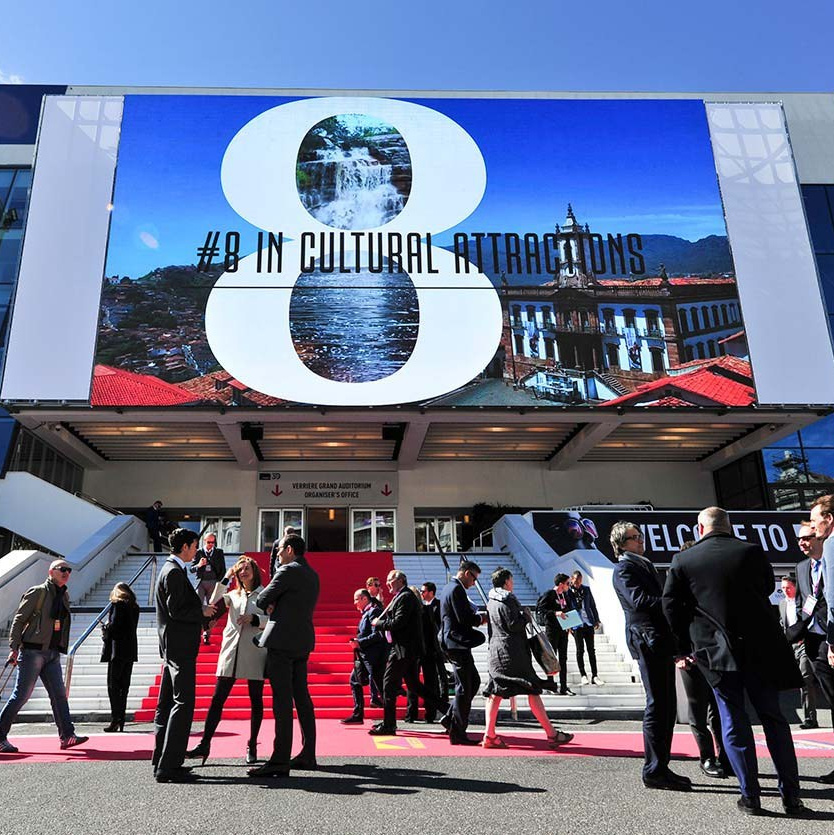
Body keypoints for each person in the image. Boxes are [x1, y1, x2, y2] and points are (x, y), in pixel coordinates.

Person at [663, 507, 805, 816]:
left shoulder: (683, 560)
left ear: (700, 529)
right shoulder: (752, 551)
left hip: (715, 652)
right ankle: (791, 796)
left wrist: (683, 646)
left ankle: (750, 795)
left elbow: (671, 606)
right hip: (761, 649)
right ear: (729, 526)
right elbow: (767, 587)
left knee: (732, 720)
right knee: (774, 719)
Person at [611, 521, 691, 792]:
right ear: (621, 544)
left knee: (667, 706)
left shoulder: (643, 564)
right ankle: (654, 770)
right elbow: (639, 600)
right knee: (658, 704)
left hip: (659, 640)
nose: (641, 540)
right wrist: (672, 601)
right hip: (646, 640)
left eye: (640, 536)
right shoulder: (624, 569)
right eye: (634, 538)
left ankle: (662, 766)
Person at [249, 533, 319, 778]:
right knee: (302, 698)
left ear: (289, 549)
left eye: (278, 550)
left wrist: (271, 604)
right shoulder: (312, 574)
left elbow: (262, 599)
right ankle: (308, 753)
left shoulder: (287, 570)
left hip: (282, 642)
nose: (277, 555)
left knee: (282, 701)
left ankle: (279, 760)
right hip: (302, 641)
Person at [0, 560, 88, 753]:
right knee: (21, 695)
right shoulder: (38, 592)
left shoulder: (63, 594)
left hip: (52, 652)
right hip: (32, 651)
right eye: (62, 569)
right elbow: (19, 619)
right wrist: (14, 647)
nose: (66, 573)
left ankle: (67, 736)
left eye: (69, 570)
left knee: (59, 695)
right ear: (51, 572)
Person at [186, 556, 267, 764]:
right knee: (217, 699)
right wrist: (225, 578)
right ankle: (205, 743)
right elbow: (213, 602)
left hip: (254, 650)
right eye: (239, 569)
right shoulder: (232, 594)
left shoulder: (264, 594)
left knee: (256, 699)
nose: (243, 571)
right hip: (230, 651)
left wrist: (256, 619)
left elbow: (273, 620)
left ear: (255, 571)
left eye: (247, 568)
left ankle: (252, 744)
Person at [481, 567, 574, 750]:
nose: (513, 583)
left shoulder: (491, 601)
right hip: (513, 653)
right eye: (512, 580)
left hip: (497, 652)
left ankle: (489, 734)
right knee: (532, 689)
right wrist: (525, 615)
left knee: (495, 691)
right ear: (507, 581)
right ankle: (552, 734)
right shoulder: (507, 600)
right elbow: (514, 625)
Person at [152, 528, 215, 783]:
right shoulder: (174, 572)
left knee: (166, 704)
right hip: (180, 647)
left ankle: (162, 760)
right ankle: (170, 765)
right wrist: (203, 612)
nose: (197, 550)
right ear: (186, 546)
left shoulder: (171, 570)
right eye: (195, 545)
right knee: (183, 703)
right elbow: (178, 611)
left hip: (171, 647)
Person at [369, 570, 447, 737]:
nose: (388, 583)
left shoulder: (405, 597)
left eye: (390, 580)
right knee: (414, 686)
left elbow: (398, 622)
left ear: (401, 580)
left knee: (388, 685)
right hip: (406, 649)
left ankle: (389, 725)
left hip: (403, 650)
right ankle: (449, 711)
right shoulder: (401, 596)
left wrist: (379, 623)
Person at [439, 560, 486, 745]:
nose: (474, 583)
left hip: (454, 642)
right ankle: (457, 731)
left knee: (473, 682)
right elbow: (464, 618)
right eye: (474, 578)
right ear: (467, 573)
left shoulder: (449, 587)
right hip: (456, 643)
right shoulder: (456, 589)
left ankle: (450, 718)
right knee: (465, 686)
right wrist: (481, 618)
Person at [808, 495, 834, 785]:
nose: (814, 528)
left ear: (829, 519)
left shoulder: (831, 545)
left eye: (815, 520)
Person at [778, 570, 818, 730]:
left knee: (805, 678)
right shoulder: (782, 604)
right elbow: (783, 623)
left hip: (804, 644)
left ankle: (810, 718)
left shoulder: (803, 602)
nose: (786, 591)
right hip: (790, 646)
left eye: (788, 587)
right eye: (783, 588)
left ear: (795, 587)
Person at [341, 588, 386, 724]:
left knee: (381, 686)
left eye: (356, 599)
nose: (354, 603)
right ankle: (358, 713)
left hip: (373, 657)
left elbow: (378, 634)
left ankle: (389, 719)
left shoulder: (374, 612)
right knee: (354, 680)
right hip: (365, 656)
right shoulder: (367, 612)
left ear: (364, 599)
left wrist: (359, 642)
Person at [405, 581, 448, 722]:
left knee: (415, 682)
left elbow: (431, 632)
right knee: (428, 683)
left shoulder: (414, 612)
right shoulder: (424, 611)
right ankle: (428, 713)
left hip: (421, 651)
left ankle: (414, 714)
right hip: (426, 651)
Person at [101, 582, 140, 732]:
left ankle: (115, 718)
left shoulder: (118, 605)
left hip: (117, 651)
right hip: (130, 650)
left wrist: (106, 627)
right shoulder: (134, 607)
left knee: (113, 686)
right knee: (124, 687)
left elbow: (115, 626)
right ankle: (121, 719)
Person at [536, 573, 575, 695]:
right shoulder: (549, 594)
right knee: (552, 658)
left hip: (563, 630)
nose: (569, 585)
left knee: (563, 658)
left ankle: (564, 686)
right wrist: (555, 613)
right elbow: (541, 610)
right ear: (561, 584)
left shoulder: (565, 595)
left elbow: (568, 610)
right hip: (552, 630)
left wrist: (570, 624)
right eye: (567, 583)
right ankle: (551, 684)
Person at [569, 570, 604, 686]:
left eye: (579, 581)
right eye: (576, 581)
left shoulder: (586, 590)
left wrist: (596, 619)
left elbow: (592, 605)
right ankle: (583, 675)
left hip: (588, 623)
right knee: (580, 650)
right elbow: (566, 609)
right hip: (577, 624)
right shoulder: (568, 592)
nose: (578, 583)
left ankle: (595, 675)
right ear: (572, 579)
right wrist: (569, 625)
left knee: (591, 650)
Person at [190, 533, 226, 645]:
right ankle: (198, 631)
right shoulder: (199, 552)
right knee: (198, 607)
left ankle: (207, 633)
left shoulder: (219, 552)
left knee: (212, 610)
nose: (211, 544)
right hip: (201, 582)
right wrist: (199, 565)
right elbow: (191, 569)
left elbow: (223, 569)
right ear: (204, 541)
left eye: (213, 542)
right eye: (208, 542)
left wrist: (218, 582)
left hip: (213, 582)